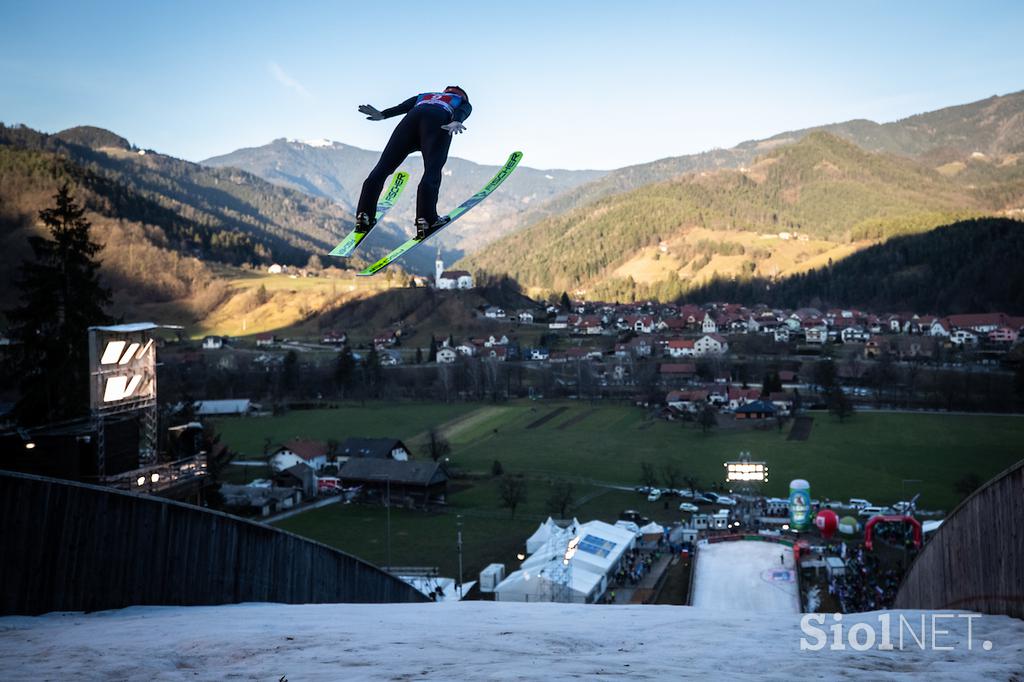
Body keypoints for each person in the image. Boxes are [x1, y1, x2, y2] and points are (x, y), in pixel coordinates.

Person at [355, 86, 472, 239]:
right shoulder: (460, 101)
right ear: (462, 96)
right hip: (437, 122)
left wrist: (382, 115)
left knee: (382, 168)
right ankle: (426, 220)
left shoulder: (424, 96)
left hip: (410, 121)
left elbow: (401, 107)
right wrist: (456, 120)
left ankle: (364, 215)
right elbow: (463, 111)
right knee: (432, 170)